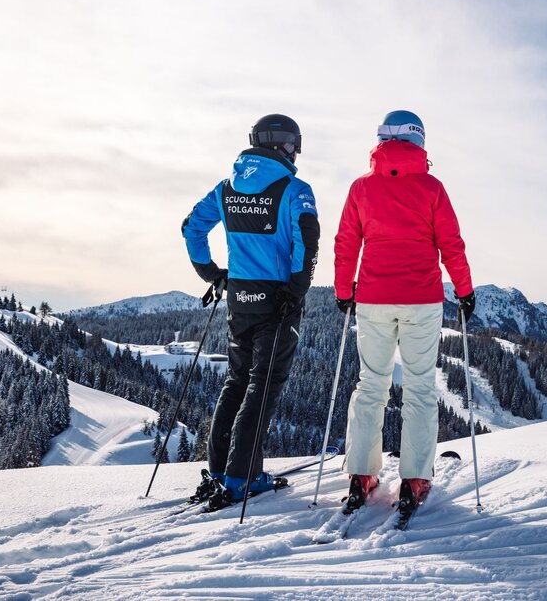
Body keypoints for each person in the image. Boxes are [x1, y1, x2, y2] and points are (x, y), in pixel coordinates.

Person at [334, 109, 476, 512]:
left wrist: (345, 291)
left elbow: (346, 243)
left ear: (382, 140)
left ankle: (362, 473)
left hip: (374, 298)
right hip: (422, 298)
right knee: (418, 389)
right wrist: (464, 291)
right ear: (419, 142)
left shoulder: (362, 188)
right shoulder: (431, 188)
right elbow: (452, 244)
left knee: (371, 384)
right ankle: (414, 478)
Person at [181, 114, 319, 505]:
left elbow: (191, 227)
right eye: (295, 144)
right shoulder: (295, 188)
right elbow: (307, 239)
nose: (297, 151)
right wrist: (297, 288)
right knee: (263, 385)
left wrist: (211, 273)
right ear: (283, 144)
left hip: (239, 298)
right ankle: (243, 478)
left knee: (237, 381)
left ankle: (221, 470)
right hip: (278, 298)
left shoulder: (227, 188)